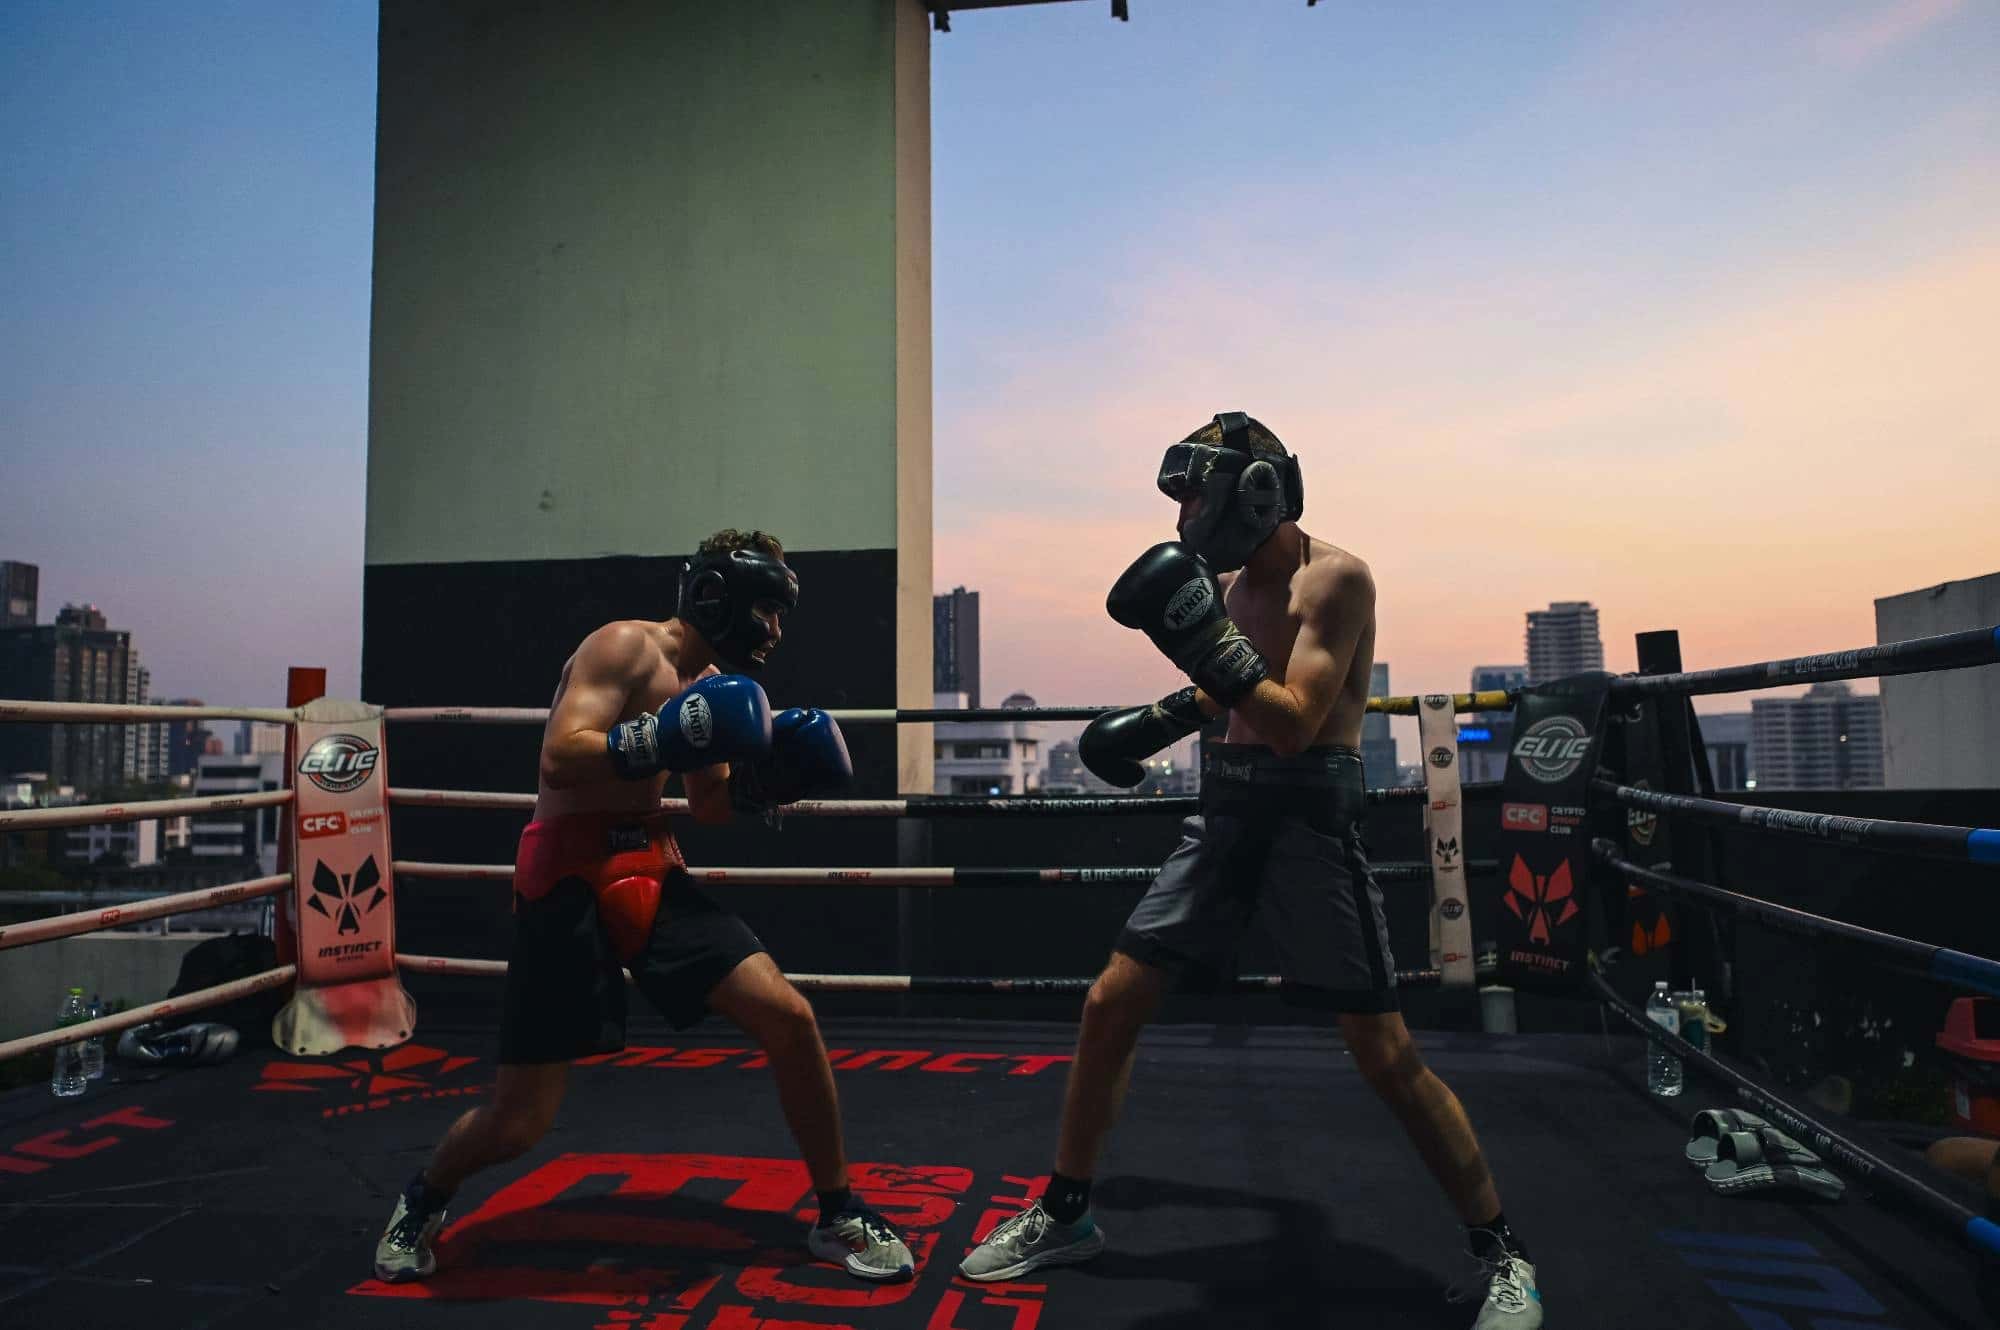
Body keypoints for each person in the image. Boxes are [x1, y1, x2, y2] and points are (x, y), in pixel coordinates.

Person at [957, 415, 1542, 1328]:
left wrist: (1201, 647)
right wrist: (1145, 727)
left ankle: (1502, 1253)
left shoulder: (1335, 579)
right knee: (1112, 1001)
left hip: (1309, 814)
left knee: (1383, 1054)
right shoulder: (1225, 586)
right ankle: (1067, 1213)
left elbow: (1294, 719)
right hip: (1226, 814)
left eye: (1197, 492)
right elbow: (1222, 691)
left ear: (1255, 491)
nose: (1187, 513)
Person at [373, 528, 913, 1285]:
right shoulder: (624, 646)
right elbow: (561, 754)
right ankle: (423, 1197)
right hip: (565, 871)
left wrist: (768, 785)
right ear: (718, 594)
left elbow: (711, 804)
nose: (776, 630)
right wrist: (662, 735)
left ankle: (838, 1211)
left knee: (789, 1018)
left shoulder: (719, 687)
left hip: (649, 865)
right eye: (766, 608)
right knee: (521, 1119)